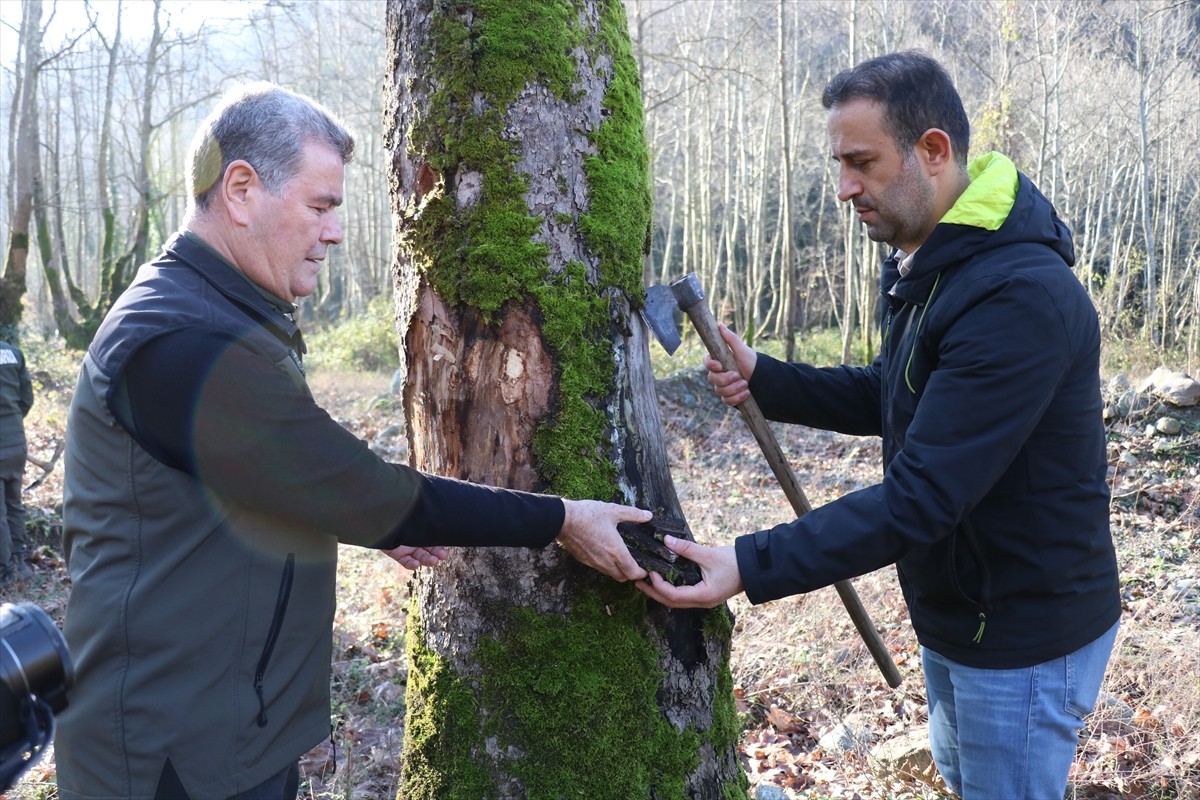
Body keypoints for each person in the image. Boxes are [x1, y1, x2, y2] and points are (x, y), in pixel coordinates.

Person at [57, 82, 651, 800]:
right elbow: (360, 487)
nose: (335, 233)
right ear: (241, 189)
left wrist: (350, 515)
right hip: (167, 753)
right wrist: (561, 519)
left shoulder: (219, 315)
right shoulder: (185, 343)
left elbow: (265, 478)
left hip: (224, 730)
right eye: (320, 207)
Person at [638, 51, 1121, 799]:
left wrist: (749, 563)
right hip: (962, 610)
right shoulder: (932, 263)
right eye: (839, 163)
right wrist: (768, 375)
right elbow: (893, 394)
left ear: (933, 151)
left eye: (861, 162)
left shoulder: (1017, 296)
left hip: (1023, 630)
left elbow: (923, 494)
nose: (843, 189)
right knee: (967, 780)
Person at [0, 335, 34, 586]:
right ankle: (20, 562)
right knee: (14, 502)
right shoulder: (12, 352)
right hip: (16, 442)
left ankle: (5, 570)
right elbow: (26, 399)